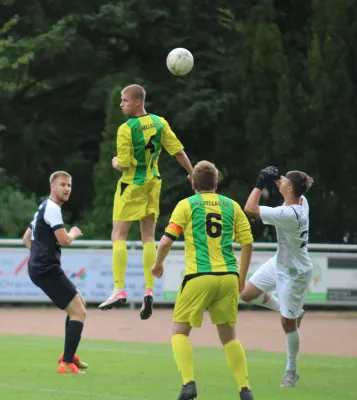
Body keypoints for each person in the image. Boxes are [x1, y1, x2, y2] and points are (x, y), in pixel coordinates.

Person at [152, 160, 255, 400]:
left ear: (192, 182)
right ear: (216, 183)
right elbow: (247, 243)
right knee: (230, 338)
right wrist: (241, 277)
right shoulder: (232, 206)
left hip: (199, 276)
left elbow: (166, 241)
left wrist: (157, 264)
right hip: (228, 277)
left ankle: (188, 384)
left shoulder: (186, 205)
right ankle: (244, 389)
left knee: (179, 333)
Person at [99, 84, 193, 320]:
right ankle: (149, 290)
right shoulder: (160, 122)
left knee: (118, 236)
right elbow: (178, 151)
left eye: (124, 100)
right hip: (154, 183)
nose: (121, 104)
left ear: (137, 102)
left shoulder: (126, 128)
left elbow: (124, 163)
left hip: (131, 184)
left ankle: (119, 288)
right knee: (148, 237)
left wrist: (114, 163)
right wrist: (191, 173)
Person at [242, 166, 314, 388]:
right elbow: (288, 189)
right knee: (246, 294)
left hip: (296, 272)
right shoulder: (300, 201)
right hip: (279, 262)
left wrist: (260, 181)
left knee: (287, 324)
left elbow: (250, 208)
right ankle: (292, 311)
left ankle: (291, 370)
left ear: (290, 188)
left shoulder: (289, 214)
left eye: (284, 181)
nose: (280, 181)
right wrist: (279, 180)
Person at [22, 171, 87, 374]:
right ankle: (66, 363)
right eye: (62, 185)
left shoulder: (43, 207)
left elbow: (26, 239)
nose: (66, 188)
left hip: (43, 268)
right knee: (79, 312)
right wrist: (74, 233)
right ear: (52, 187)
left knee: (79, 306)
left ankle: (69, 354)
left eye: (69, 185)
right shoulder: (52, 208)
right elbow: (64, 240)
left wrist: (37, 257)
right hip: (46, 269)